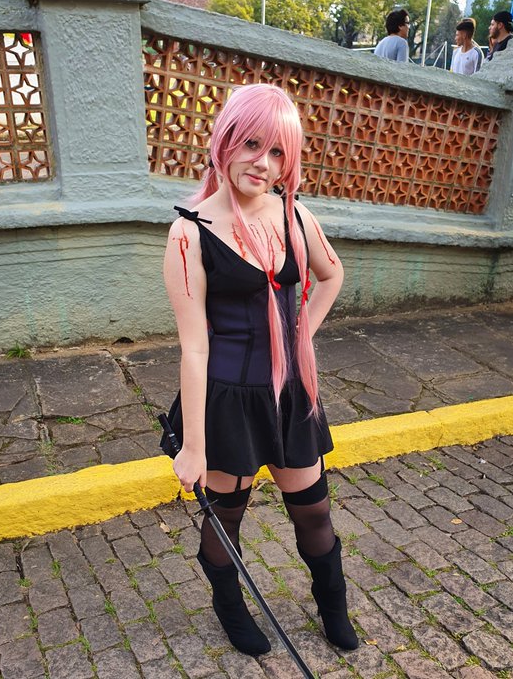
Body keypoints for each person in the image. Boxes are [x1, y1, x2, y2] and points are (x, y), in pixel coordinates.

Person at [162, 83, 358, 657]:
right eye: (252, 144)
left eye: (277, 152)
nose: (263, 163)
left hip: (290, 394)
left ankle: (333, 605)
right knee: (227, 518)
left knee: (313, 510)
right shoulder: (189, 232)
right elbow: (193, 348)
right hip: (226, 398)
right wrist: (193, 446)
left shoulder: (293, 214)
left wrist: (299, 335)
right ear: (225, 140)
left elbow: (331, 274)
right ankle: (230, 608)